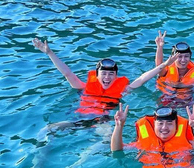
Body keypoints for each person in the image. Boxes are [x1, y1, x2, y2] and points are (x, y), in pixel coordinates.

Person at [32, 37, 176, 118]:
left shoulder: (124, 88)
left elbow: (143, 78)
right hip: (79, 117)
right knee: (49, 129)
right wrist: (50, 53)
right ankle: (39, 161)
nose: (107, 77)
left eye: (111, 74)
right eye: (104, 74)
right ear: (97, 75)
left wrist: (164, 64)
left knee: (103, 142)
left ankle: (78, 164)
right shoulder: (82, 86)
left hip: (102, 121)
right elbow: (67, 73)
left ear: (116, 76)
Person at [153, 31, 194, 106]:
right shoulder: (167, 68)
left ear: (190, 57)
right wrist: (159, 47)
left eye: (186, 56)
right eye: (179, 56)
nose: (183, 60)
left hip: (186, 98)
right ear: (174, 57)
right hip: (167, 97)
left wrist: (185, 87)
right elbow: (159, 66)